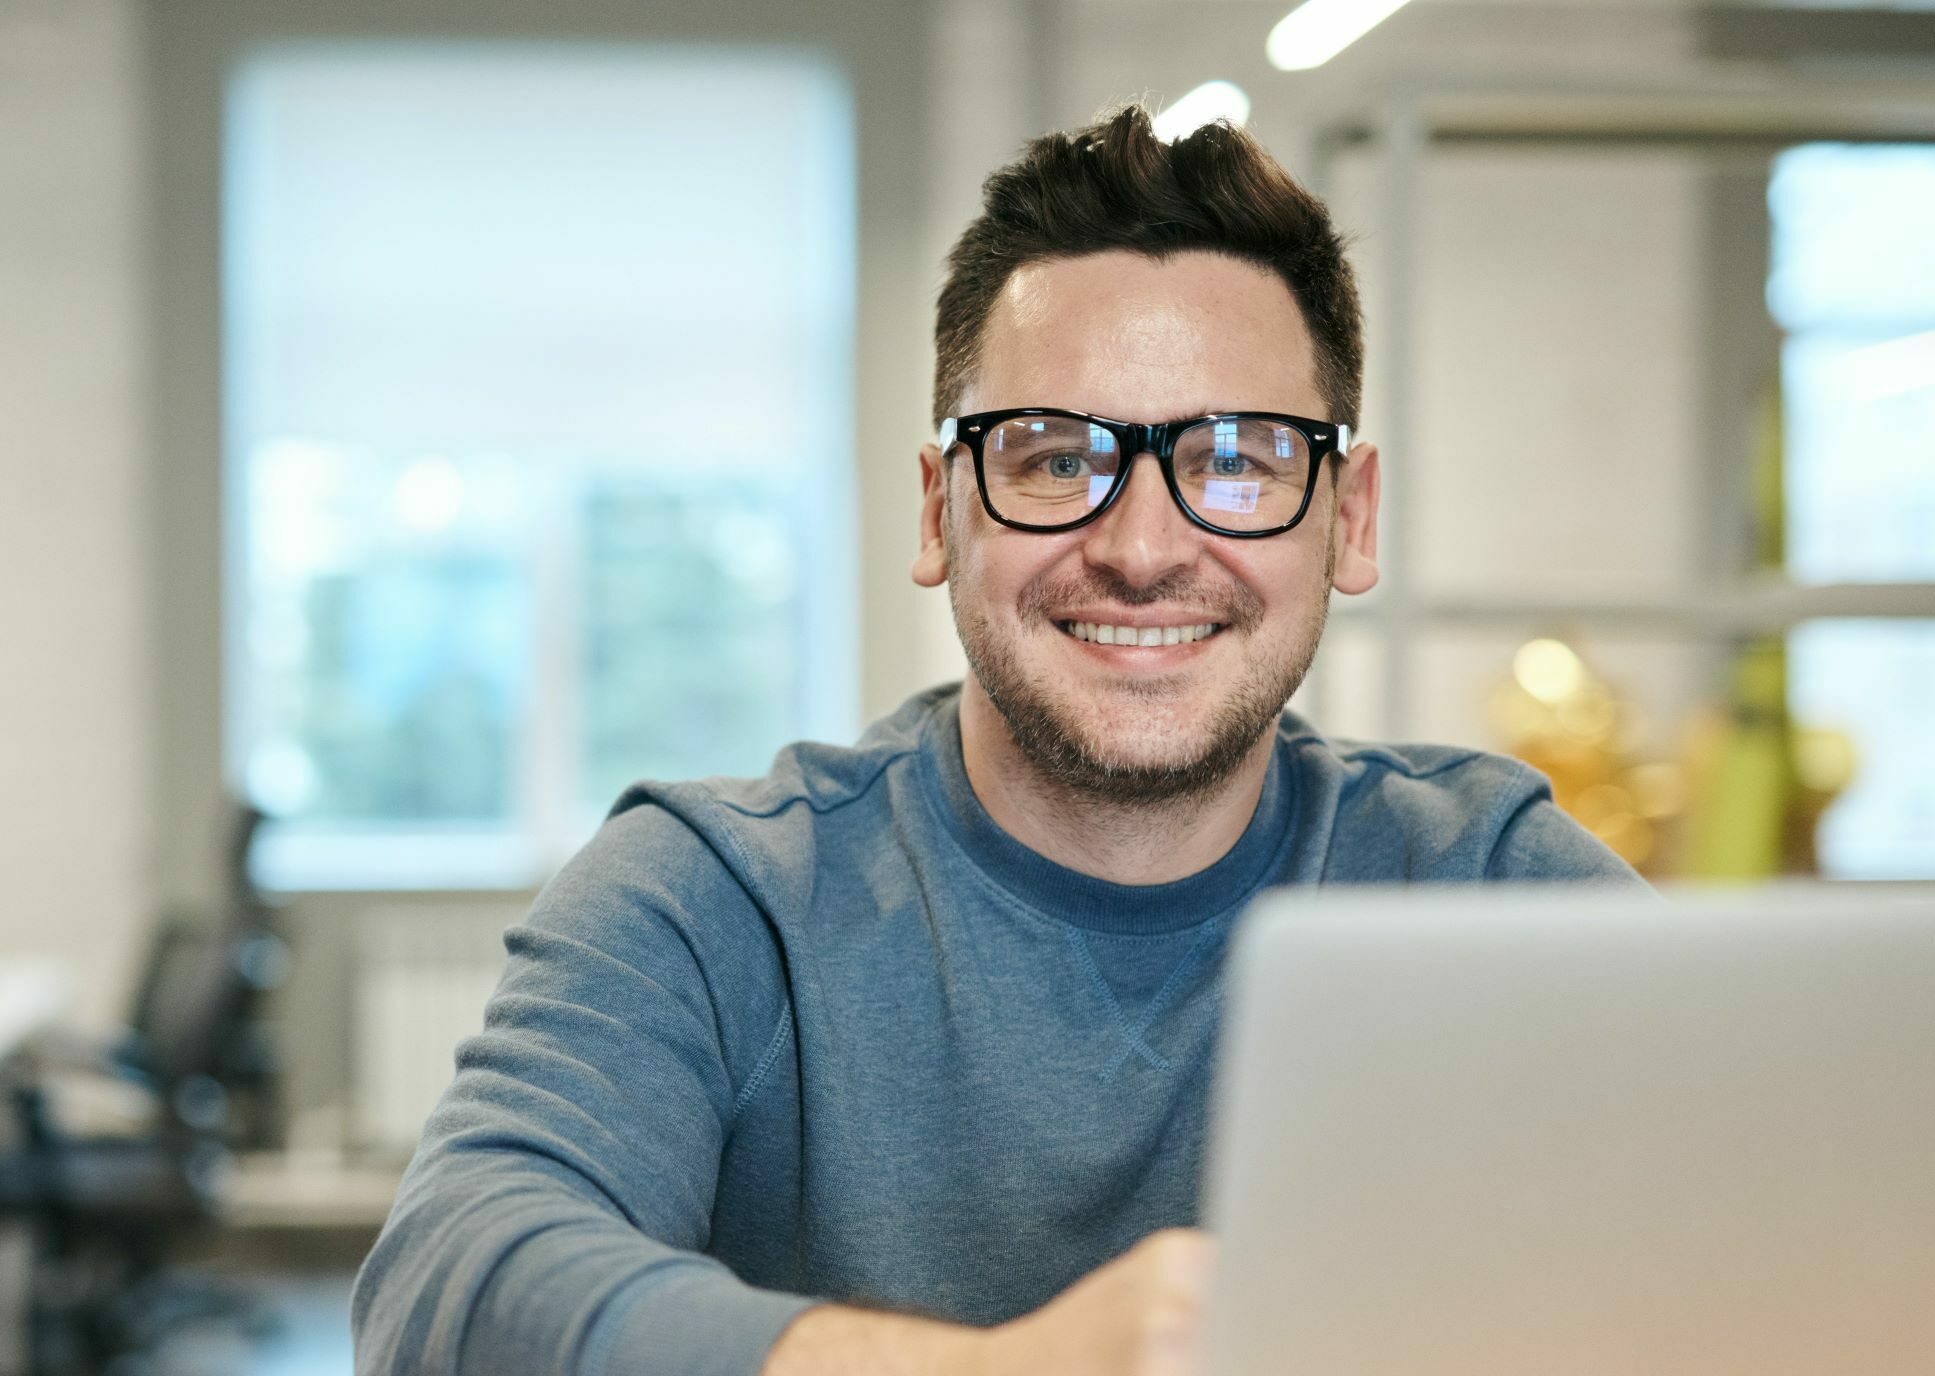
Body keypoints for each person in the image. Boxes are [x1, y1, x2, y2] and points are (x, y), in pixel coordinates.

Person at [350, 103, 1640, 1376]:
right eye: (1048, 458)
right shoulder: (721, 899)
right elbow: (451, 1293)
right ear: (939, 509)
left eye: (1238, 459)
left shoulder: (1486, 886)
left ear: (1349, 521)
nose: (1141, 548)